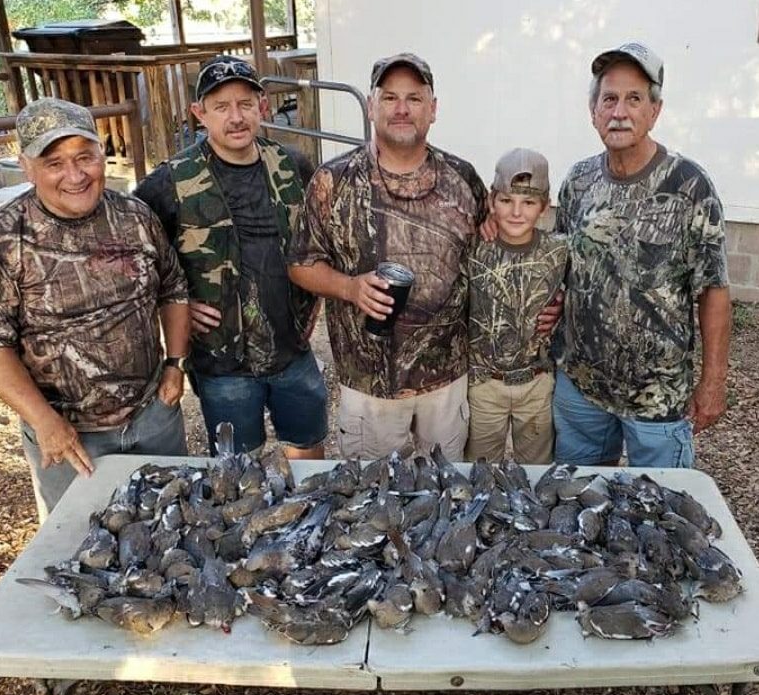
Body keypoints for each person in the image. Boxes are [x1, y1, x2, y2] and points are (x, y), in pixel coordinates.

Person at [0, 98, 191, 522]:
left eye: (85, 157)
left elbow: (172, 286)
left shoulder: (136, 216)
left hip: (153, 415)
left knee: (174, 527)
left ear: (102, 154)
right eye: (55, 162)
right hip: (69, 437)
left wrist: (175, 364)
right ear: (27, 167)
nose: (75, 175)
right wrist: (43, 421)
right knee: (80, 546)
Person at [288, 53, 487, 460]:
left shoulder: (462, 178)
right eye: (390, 97)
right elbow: (299, 263)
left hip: (447, 379)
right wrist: (349, 287)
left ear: (433, 109)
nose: (401, 109)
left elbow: (488, 251)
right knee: (372, 499)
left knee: (445, 494)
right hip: (369, 385)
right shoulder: (334, 180)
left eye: (414, 99)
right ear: (370, 105)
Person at [135, 55, 327, 459]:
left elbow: (319, 239)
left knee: (308, 454)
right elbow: (133, 256)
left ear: (263, 107)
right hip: (222, 362)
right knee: (240, 472)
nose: (235, 117)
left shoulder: (293, 166)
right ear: (199, 114)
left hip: (292, 349)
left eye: (245, 104)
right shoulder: (171, 181)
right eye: (221, 107)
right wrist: (174, 304)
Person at [552, 42, 731, 468]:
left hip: (658, 396)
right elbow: (561, 266)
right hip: (582, 389)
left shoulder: (690, 187)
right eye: (609, 99)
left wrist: (713, 382)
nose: (620, 111)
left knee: (662, 514)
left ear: (655, 111)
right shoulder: (577, 182)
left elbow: (714, 292)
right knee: (578, 504)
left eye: (634, 99)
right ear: (593, 110)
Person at [465, 148, 568, 464]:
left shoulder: (559, 252)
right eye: (506, 201)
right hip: (484, 385)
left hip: (536, 384)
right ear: (491, 201)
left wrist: (564, 304)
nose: (516, 212)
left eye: (528, 202)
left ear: (545, 206)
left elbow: (583, 295)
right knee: (480, 470)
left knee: (535, 472)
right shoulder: (473, 248)